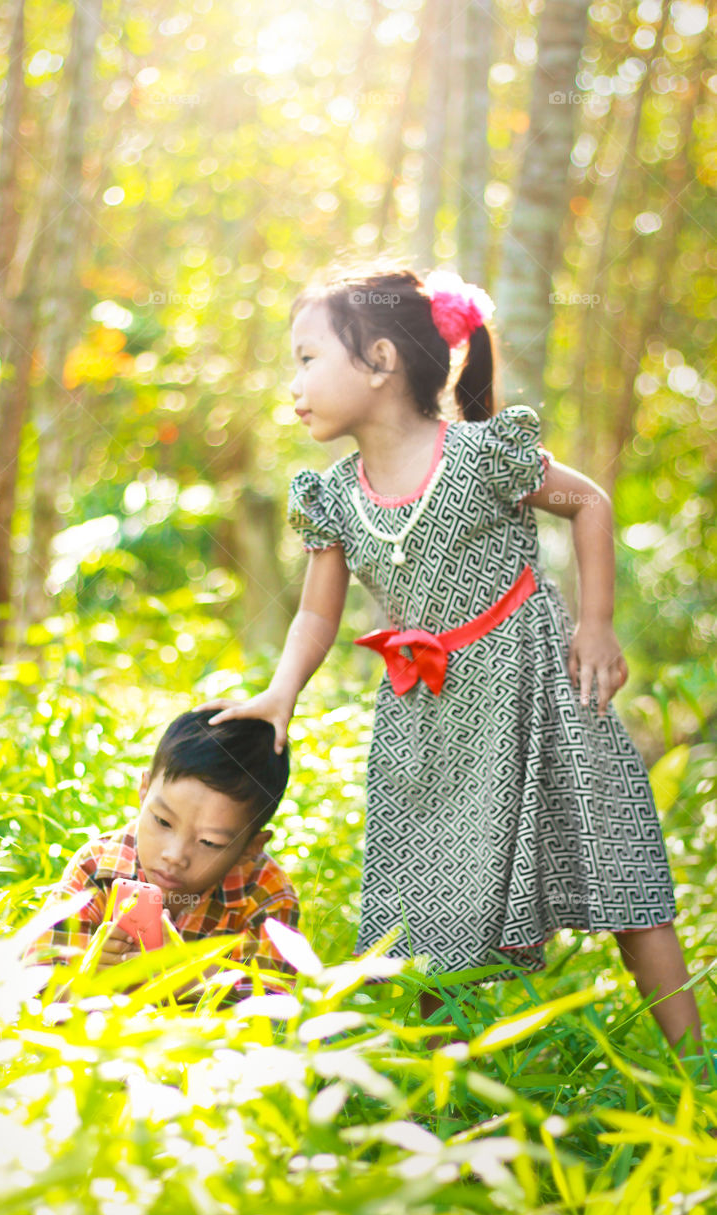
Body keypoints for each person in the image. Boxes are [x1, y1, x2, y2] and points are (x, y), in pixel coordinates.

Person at [201, 261, 704, 1062]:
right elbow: (315, 612)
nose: (292, 384)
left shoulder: (480, 456)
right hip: (429, 717)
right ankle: (444, 1083)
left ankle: (696, 1067)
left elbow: (589, 504)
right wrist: (279, 693)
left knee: (619, 867)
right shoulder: (335, 495)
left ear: (379, 361)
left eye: (306, 359)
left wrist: (597, 625)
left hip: (541, 688)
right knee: (425, 897)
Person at [23, 710, 300, 999]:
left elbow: (276, 1014)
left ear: (251, 847)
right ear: (144, 790)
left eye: (209, 842)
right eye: (163, 822)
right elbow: (33, 991)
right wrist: (88, 982)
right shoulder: (97, 867)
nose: (174, 855)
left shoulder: (265, 893)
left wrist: (194, 979)